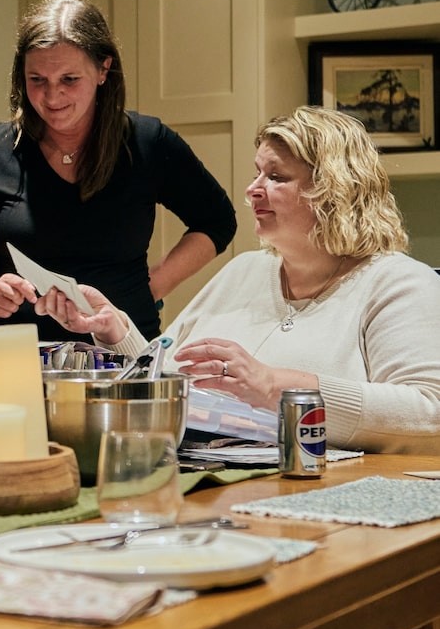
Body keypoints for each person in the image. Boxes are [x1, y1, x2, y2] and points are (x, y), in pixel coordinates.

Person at [35, 105, 440, 454]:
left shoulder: (398, 283)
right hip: (208, 483)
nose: (253, 190)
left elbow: (429, 412)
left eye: (276, 177)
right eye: (257, 173)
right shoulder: (245, 270)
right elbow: (171, 382)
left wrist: (276, 387)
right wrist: (115, 331)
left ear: (335, 190)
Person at [0, 0, 236, 342]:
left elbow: (217, 220)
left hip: (118, 354)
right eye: (37, 80)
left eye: (69, 80)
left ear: (103, 70)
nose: (52, 97)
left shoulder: (146, 142)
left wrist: (150, 287)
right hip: (14, 353)